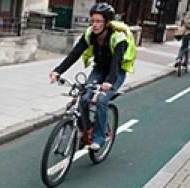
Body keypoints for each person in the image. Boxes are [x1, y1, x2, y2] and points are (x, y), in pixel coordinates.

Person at [49, 3, 135, 151]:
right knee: (83, 97)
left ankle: (99, 138)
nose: (94, 25)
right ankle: (86, 129)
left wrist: (109, 82)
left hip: (116, 72)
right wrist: (58, 71)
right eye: (93, 21)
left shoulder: (118, 38)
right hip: (99, 69)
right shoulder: (89, 34)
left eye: (98, 21)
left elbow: (116, 62)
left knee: (102, 99)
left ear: (107, 22)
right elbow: (75, 54)